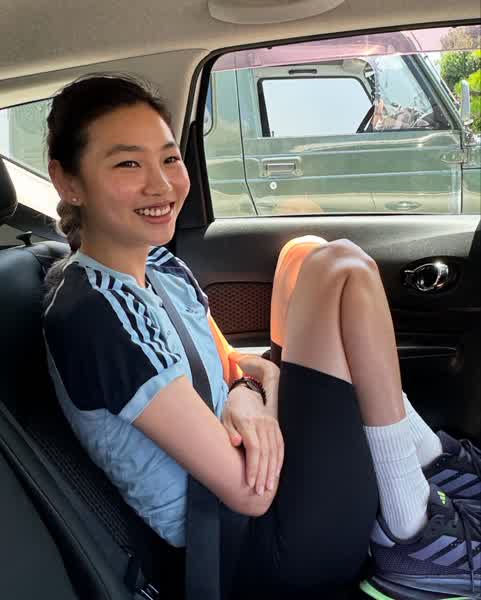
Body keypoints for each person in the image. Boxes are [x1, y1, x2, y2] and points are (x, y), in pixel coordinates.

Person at [43, 73, 481, 600]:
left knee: (304, 252)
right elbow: (247, 493)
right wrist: (256, 401)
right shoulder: (93, 317)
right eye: (128, 164)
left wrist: (246, 396)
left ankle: (428, 461)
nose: (161, 185)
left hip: (267, 483)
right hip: (252, 546)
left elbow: (240, 365)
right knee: (342, 267)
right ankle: (411, 535)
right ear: (68, 182)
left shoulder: (158, 267)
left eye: (170, 158)